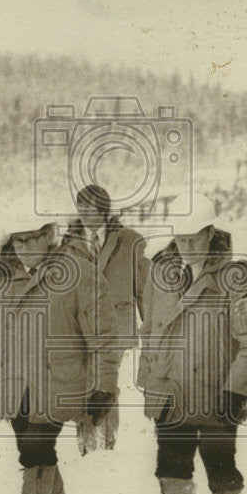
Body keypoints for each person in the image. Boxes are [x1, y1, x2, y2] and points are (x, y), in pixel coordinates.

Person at [0, 216, 121, 494]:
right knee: (31, 449)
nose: (24, 248)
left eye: (32, 239)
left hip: (59, 384)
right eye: (18, 241)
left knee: (36, 449)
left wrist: (105, 387)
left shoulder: (80, 274)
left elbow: (104, 337)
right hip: (13, 386)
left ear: (50, 234)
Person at [137, 195, 247, 494]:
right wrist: (149, 381)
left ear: (211, 232)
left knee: (221, 468)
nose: (188, 247)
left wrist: (235, 391)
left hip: (216, 393)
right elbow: (149, 329)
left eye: (196, 238)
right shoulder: (159, 273)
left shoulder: (235, 276)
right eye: (181, 240)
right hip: (170, 392)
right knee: (171, 467)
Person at [64, 185, 149, 454]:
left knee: (105, 381)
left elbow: (144, 289)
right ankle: (88, 443)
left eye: (93, 206)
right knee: (84, 383)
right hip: (81, 327)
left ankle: (105, 442)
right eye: (82, 206)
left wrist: (152, 332)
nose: (87, 212)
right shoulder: (67, 243)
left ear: (105, 208)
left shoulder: (131, 241)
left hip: (116, 325)